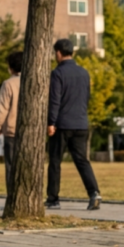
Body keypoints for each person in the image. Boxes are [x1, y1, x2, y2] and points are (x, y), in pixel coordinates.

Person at [46, 39, 101, 210]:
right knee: (82, 161)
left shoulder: (57, 73)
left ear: (58, 53)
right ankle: (94, 193)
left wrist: (51, 122)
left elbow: (55, 100)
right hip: (81, 123)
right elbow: (86, 97)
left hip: (62, 124)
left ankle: (53, 199)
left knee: (55, 161)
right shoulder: (84, 73)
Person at [0, 51, 22, 197]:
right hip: (31, 132)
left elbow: (2, 109)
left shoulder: (8, 84)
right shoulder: (34, 81)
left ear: (11, 67)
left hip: (12, 131)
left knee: (11, 167)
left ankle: (13, 197)